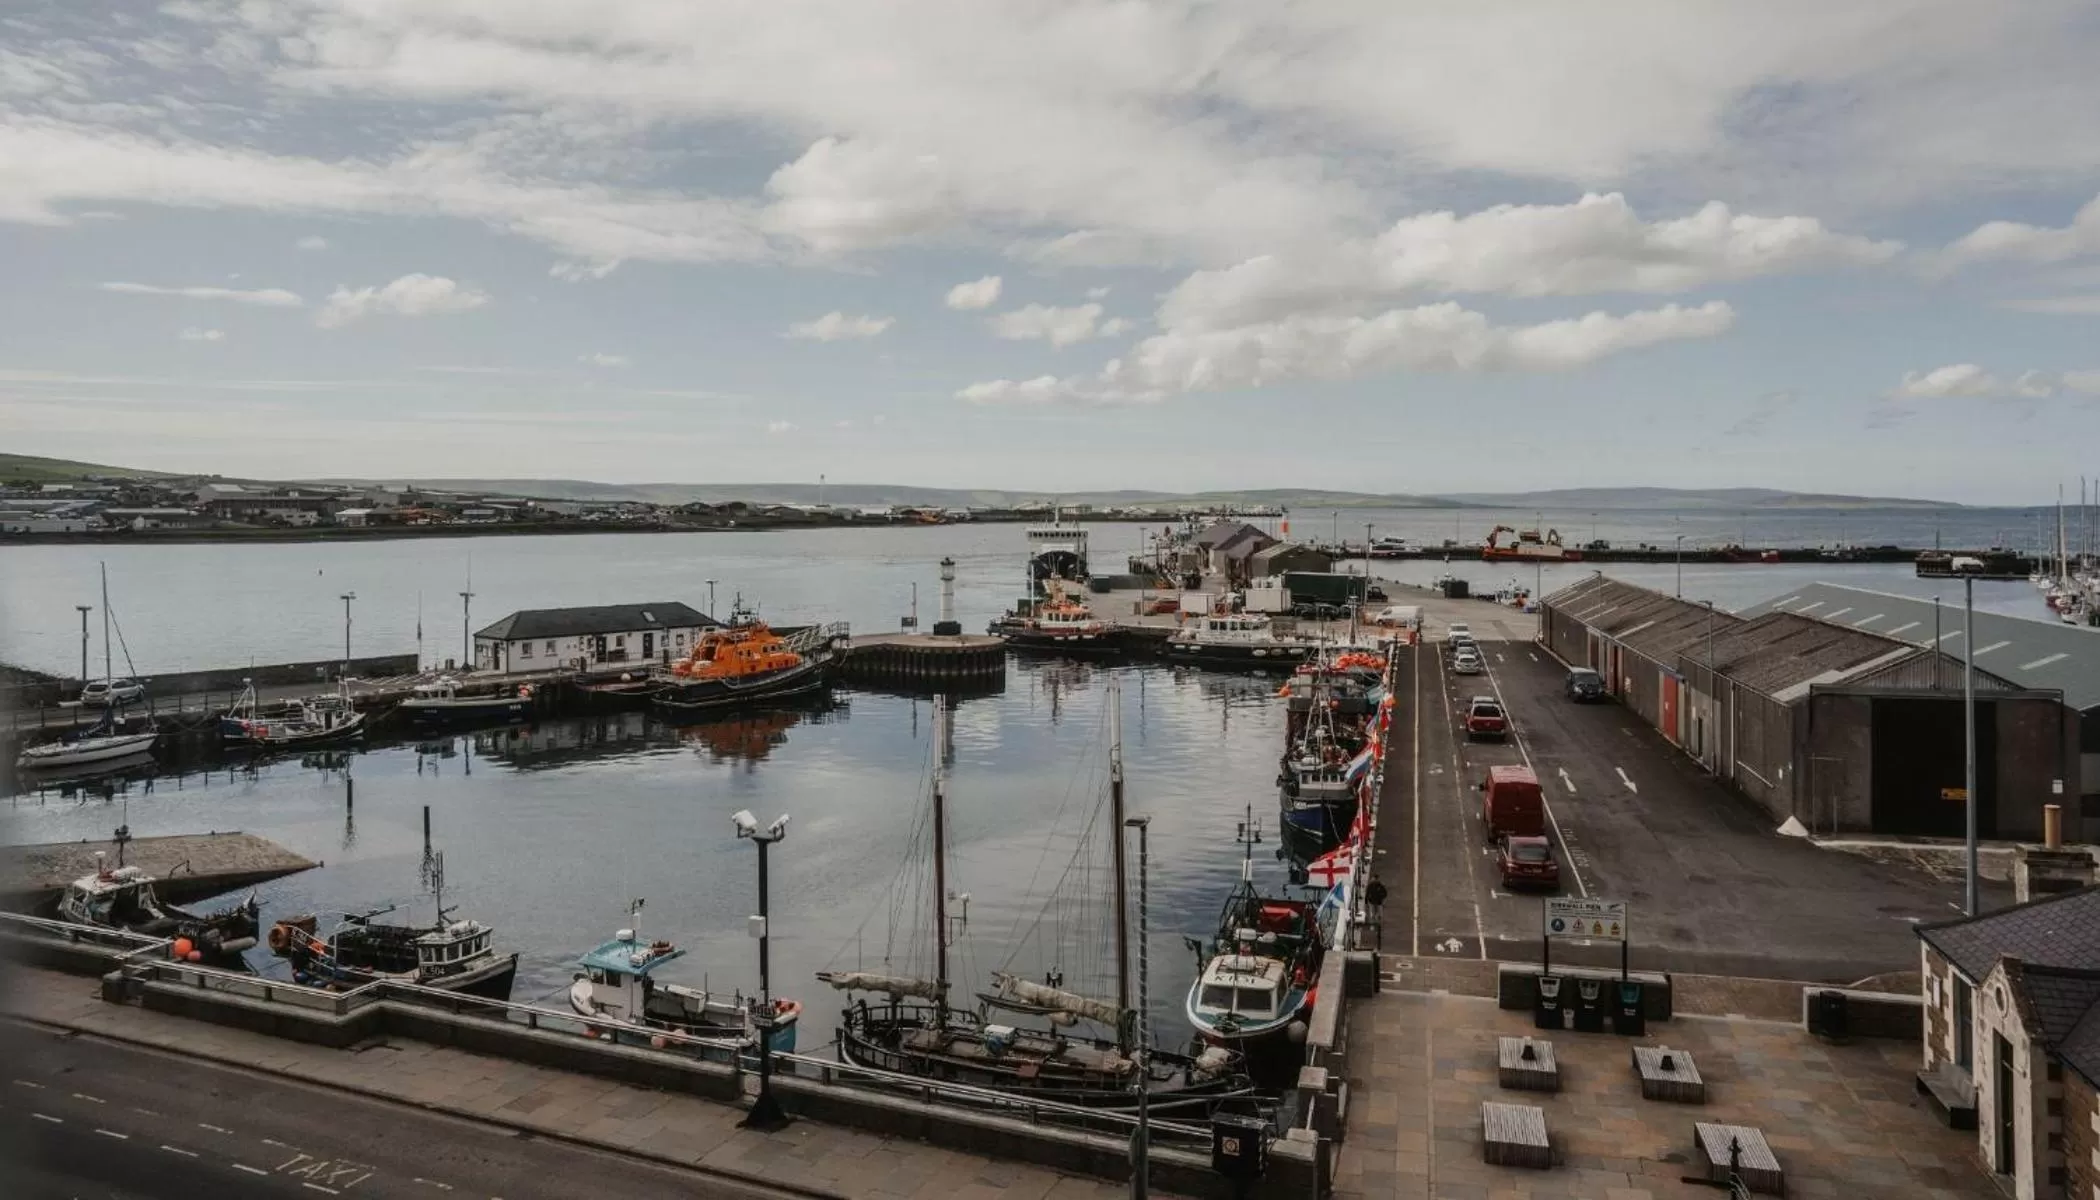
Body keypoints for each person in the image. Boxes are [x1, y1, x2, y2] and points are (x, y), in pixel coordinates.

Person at [1363, 874, 1389, 949]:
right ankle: (1372, 926)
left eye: (1374, 879)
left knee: (1380, 915)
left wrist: (1381, 898)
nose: (1373, 880)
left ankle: (1379, 926)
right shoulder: (1370, 886)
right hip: (1372, 902)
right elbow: (1367, 894)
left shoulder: (1380, 886)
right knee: (1372, 915)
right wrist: (1365, 902)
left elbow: (1385, 893)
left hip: (1378, 902)